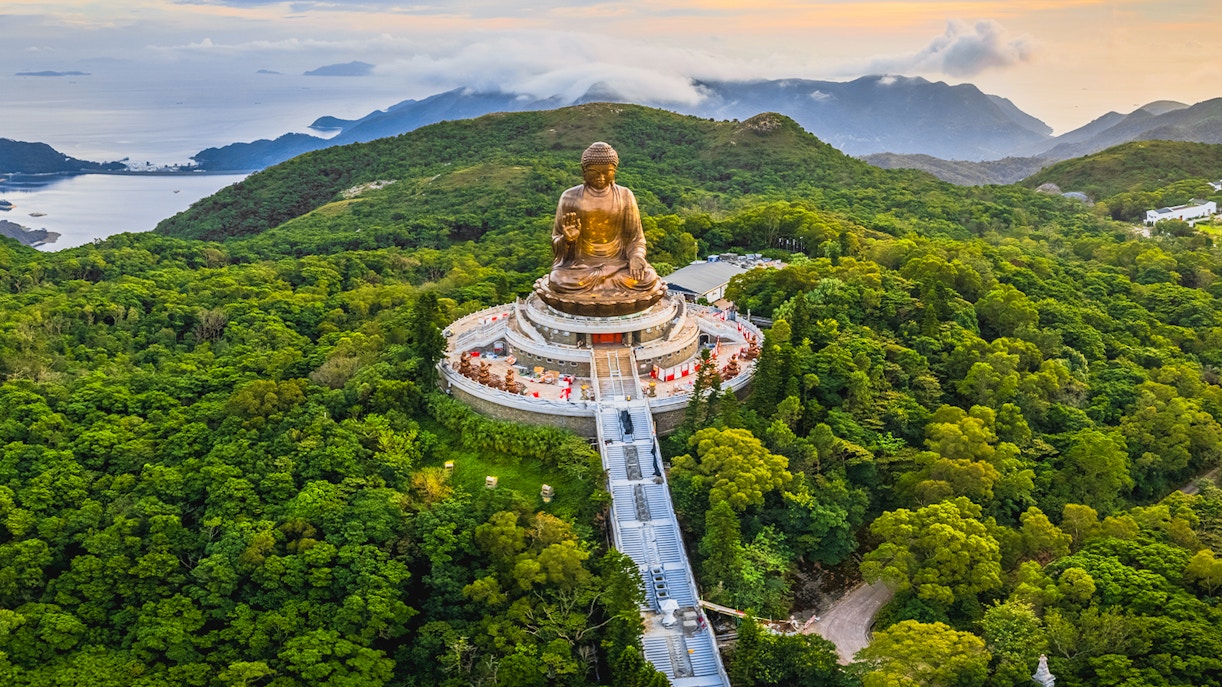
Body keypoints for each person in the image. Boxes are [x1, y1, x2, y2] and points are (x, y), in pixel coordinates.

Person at [536, 142, 664, 315]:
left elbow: (636, 239)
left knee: (648, 278)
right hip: (581, 267)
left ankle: (606, 286)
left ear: (614, 171)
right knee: (558, 280)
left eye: (607, 172)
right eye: (594, 173)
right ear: (584, 171)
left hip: (618, 265)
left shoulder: (625, 196)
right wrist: (568, 240)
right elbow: (556, 242)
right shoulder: (569, 197)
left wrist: (636, 256)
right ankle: (607, 289)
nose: (601, 178)